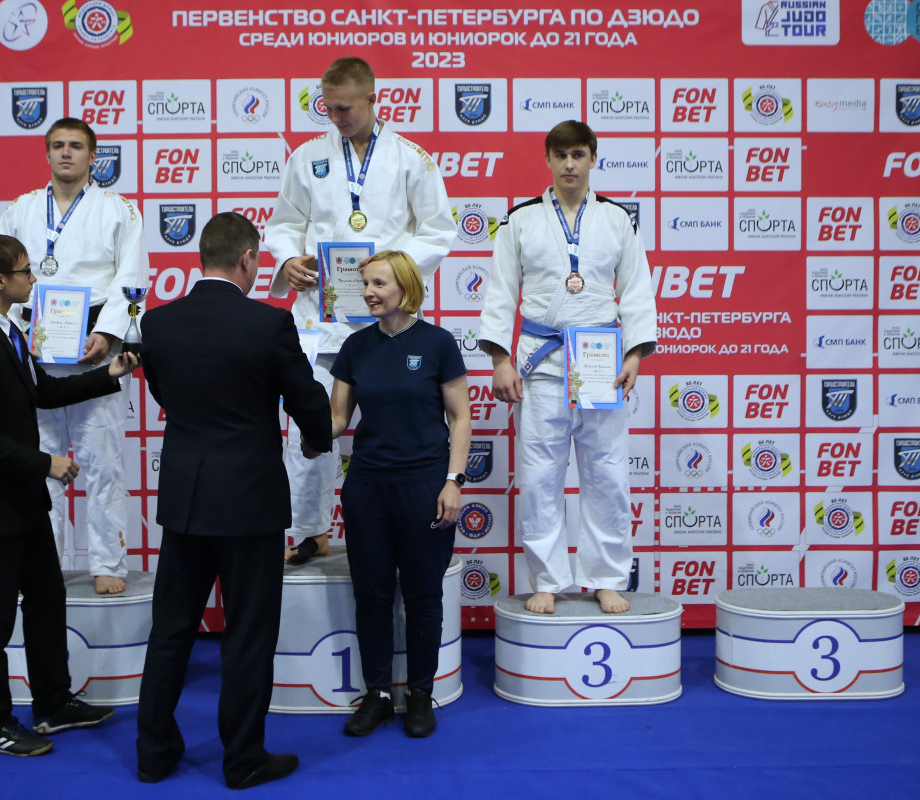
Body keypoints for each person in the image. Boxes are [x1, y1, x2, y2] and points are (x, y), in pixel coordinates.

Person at [135, 213, 331, 789]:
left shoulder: (157, 322)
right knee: (247, 633)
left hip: (186, 502)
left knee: (171, 630)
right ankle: (243, 760)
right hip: (249, 504)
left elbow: (164, 393)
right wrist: (319, 438)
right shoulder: (267, 324)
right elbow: (307, 401)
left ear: (203, 257)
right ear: (247, 260)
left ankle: (153, 755)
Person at [265, 56, 456, 565]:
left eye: (345, 108)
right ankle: (308, 530)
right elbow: (284, 223)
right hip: (321, 319)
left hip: (388, 322)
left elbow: (439, 230)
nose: (336, 117)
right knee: (308, 427)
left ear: (373, 99)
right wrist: (288, 258)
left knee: (398, 427)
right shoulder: (307, 157)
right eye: (328, 109)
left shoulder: (411, 159)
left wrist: (394, 273)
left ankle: (410, 526)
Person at [0, 232, 134, 756]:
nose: (34, 279)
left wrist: (108, 374)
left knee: (47, 600)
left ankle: (52, 702)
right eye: (26, 271)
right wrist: (45, 463)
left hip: (25, 499)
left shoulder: (9, 330)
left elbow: (42, 392)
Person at [477, 120, 658, 615]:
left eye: (578, 155)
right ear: (548, 159)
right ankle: (548, 579)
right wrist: (500, 358)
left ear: (593, 158)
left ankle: (606, 576)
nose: (569, 165)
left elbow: (637, 291)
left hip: (600, 362)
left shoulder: (617, 220)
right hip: (540, 362)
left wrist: (634, 354)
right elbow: (500, 293)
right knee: (539, 478)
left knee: (607, 475)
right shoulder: (520, 220)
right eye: (560, 155)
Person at [0, 117, 147, 595]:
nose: (66, 153)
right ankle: (45, 564)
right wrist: (15, 336)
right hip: (36, 352)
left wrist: (108, 332)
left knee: (103, 465)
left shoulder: (119, 211)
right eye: (58, 145)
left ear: (93, 156)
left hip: (94, 353)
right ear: (46, 153)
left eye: (76, 146)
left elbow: (132, 279)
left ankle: (108, 563)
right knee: (41, 465)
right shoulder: (19, 210)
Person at [328, 251, 470, 738]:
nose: (368, 292)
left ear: (405, 288)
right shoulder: (354, 346)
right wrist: (306, 426)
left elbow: (461, 418)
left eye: (378, 283)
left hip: (425, 486)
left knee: (423, 596)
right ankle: (378, 695)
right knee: (371, 595)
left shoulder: (438, 343)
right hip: (367, 487)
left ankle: (421, 695)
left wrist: (453, 481)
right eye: (366, 283)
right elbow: (338, 419)